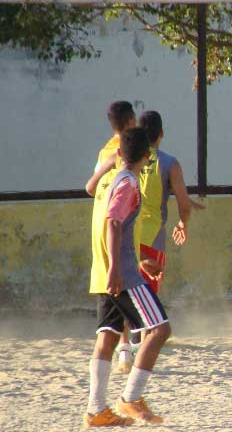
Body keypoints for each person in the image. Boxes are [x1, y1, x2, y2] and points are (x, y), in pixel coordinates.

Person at [87, 111, 201, 372]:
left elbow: (91, 189)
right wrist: (184, 221)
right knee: (154, 323)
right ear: (160, 135)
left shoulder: (112, 162)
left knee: (115, 320)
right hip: (146, 239)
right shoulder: (165, 164)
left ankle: (125, 351)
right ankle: (134, 381)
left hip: (115, 250)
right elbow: (181, 203)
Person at [83, 127, 171, 427]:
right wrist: (118, 269)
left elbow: (95, 198)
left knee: (107, 337)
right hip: (121, 275)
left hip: (106, 268)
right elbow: (114, 223)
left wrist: (137, 259)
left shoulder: (111, 179)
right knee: (159, 330)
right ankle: (130, 398)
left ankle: (96, 411)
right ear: (149, 156)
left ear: (119, 153)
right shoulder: (130, 182)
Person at [87, 101, 136, 373]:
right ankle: (127, 348)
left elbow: (91, 188)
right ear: (131, 120)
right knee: (124, 289)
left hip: (101, 234)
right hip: (119, 232)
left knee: (111, 308)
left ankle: (125, 348)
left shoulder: (105, 151)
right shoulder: (131, 151)